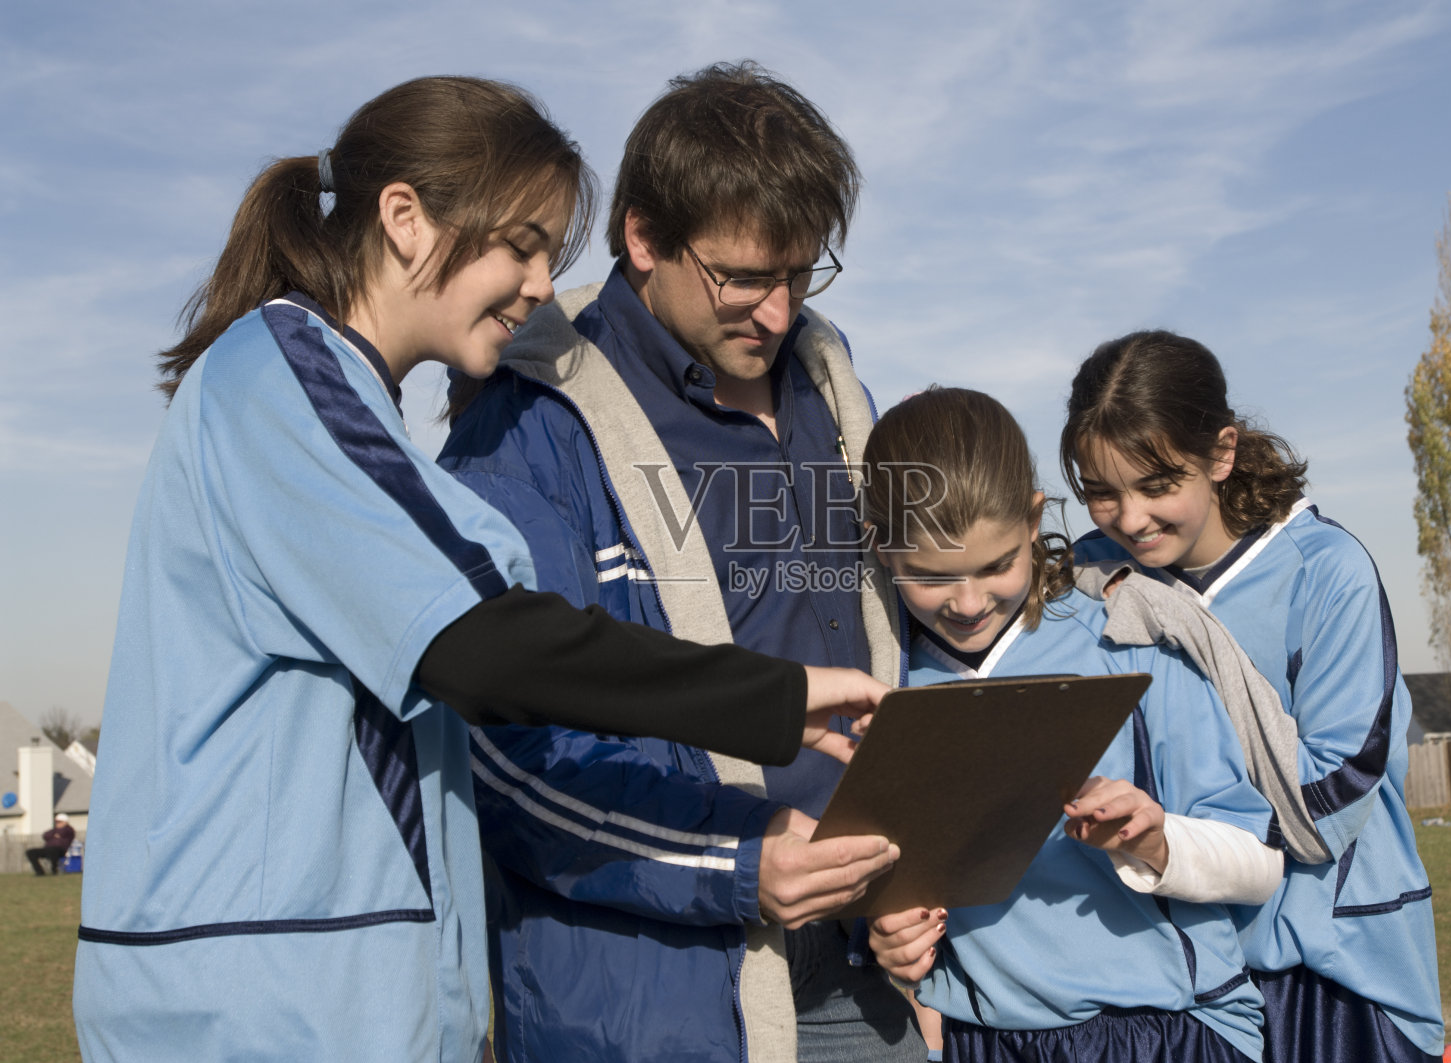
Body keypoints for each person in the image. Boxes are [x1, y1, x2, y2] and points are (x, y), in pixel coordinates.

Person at [72, 76, 891, 1063]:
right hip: (259, 1007)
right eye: (521, 245)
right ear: (405, 220)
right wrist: (767, 699)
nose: (544, 284)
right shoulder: (279, 375)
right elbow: (486, 645)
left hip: (330, 999)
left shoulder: (345, 398)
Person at [439, 61, 922, 1063]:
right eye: (744, 278)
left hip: (859, 978)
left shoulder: (831, 390)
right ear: (644, 237)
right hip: (655, 1008)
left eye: (801, 274)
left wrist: (915, 867)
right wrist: (732, 865)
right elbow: (501, 758)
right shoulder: (525, 428)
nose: (778, 312)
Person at [861, 388, 1283, 1063]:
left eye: (997, 565)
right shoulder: (876, 684)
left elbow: (1260, 862)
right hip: (984, 1041)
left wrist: (1157, 840)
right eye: (931, 577)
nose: (968, 603)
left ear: (1033, 520)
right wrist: (889, 940)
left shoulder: (1129, 645)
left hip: (1167, 1031)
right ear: (881, 546)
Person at [1062, 330, 1445, 1063]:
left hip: (1333, 969)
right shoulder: (1089, 575)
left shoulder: (1326, 571)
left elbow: (1330, 801)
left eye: (1158, 484)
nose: (1130, 518)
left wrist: (1176, 830)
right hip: (1178, 976)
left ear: (1222, 453)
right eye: (1101, 492)